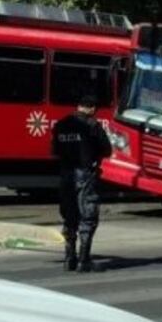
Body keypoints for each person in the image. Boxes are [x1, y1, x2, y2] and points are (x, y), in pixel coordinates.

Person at [51, 94, 112, 273]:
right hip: (85, 175)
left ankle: (69, 258)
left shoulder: (60, 125)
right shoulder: (92, 125)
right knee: (88, 217)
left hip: (65, 175)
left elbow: (54, 150)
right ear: (92, 108)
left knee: (69, 216)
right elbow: (107, 150)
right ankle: (83, 260)